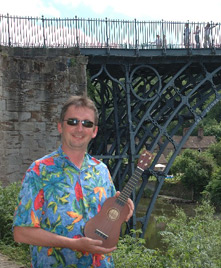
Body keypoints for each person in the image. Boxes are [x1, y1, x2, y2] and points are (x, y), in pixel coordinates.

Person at [13, 95, 134, 268]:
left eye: (87, 123)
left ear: (94, 131)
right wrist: (73, 244)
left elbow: (108, 219)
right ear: (60, 126)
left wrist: (124, 209)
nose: (79, 128)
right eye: (73, 122)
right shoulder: (40, 170)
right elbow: (21, 233)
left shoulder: (101, 171)